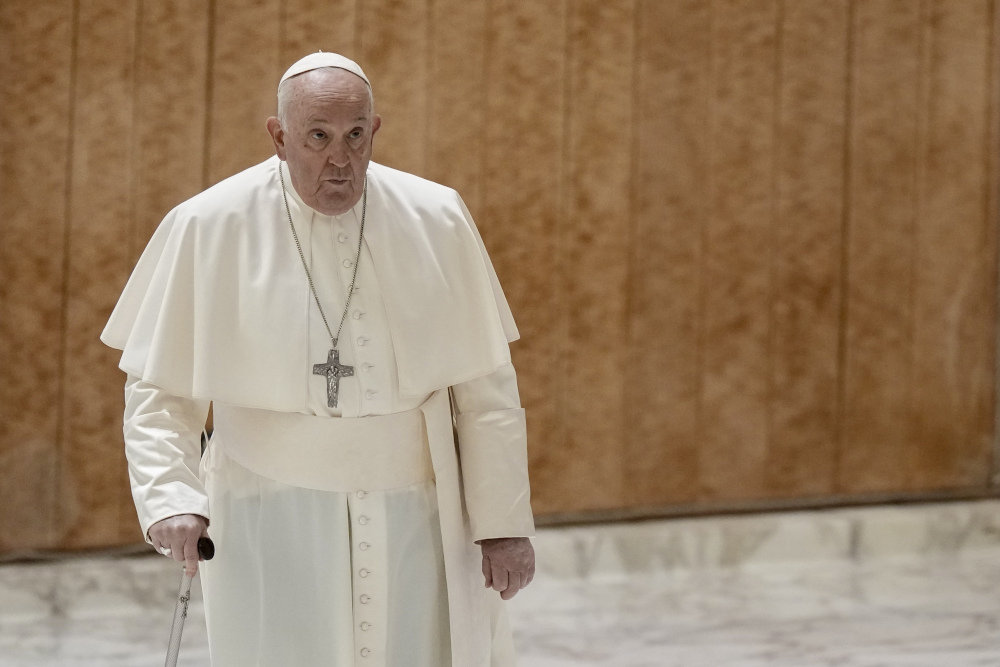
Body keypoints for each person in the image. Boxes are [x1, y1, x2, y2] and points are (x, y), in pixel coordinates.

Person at [100, 52, 535, 667]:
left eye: (356, 136)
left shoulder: (437, 218)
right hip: (266, 516)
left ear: (375, 130)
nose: (341, 159)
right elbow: (159, 390)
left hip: (419, 515)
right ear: (278, 136)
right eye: (318, 137)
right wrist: (171, 496)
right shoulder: (208, 224)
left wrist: (504, 524)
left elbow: (487, 388)